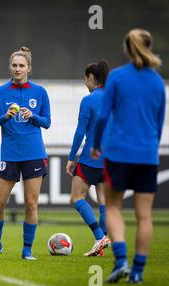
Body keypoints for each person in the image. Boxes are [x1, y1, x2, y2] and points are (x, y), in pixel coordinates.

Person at [92, 29, 166, 284]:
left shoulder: (118, 77)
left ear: (127, 48)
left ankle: (121, 260)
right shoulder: (157, 81)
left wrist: (96, 144)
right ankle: (137, 272)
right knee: (144, 216)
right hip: (147, 156)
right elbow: (159, 124)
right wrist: (149, 149)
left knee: (113, 207)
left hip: (118, 154)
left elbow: (103, 116)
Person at [0, 47, 51, 260]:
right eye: (14, 65)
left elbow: (47, 122)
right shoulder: (0, 92)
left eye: (22, 65)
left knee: (31, 203)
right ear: (10, 67)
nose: (18, 69)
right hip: (9, 155)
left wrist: (34, 117)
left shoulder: (40, 92)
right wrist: (5, 116)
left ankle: (27, 250)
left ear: (29, 68)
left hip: (34, 154)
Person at [66, 61, 111, 256]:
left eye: (86, 79)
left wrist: (71, 157)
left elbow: (79, 132)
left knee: (77, 198)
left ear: (92, 78)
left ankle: (100, 237)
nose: (86, 83)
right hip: (111, 159)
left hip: (91, 158)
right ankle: (101, 245)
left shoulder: (89, 100)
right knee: (103, 202)